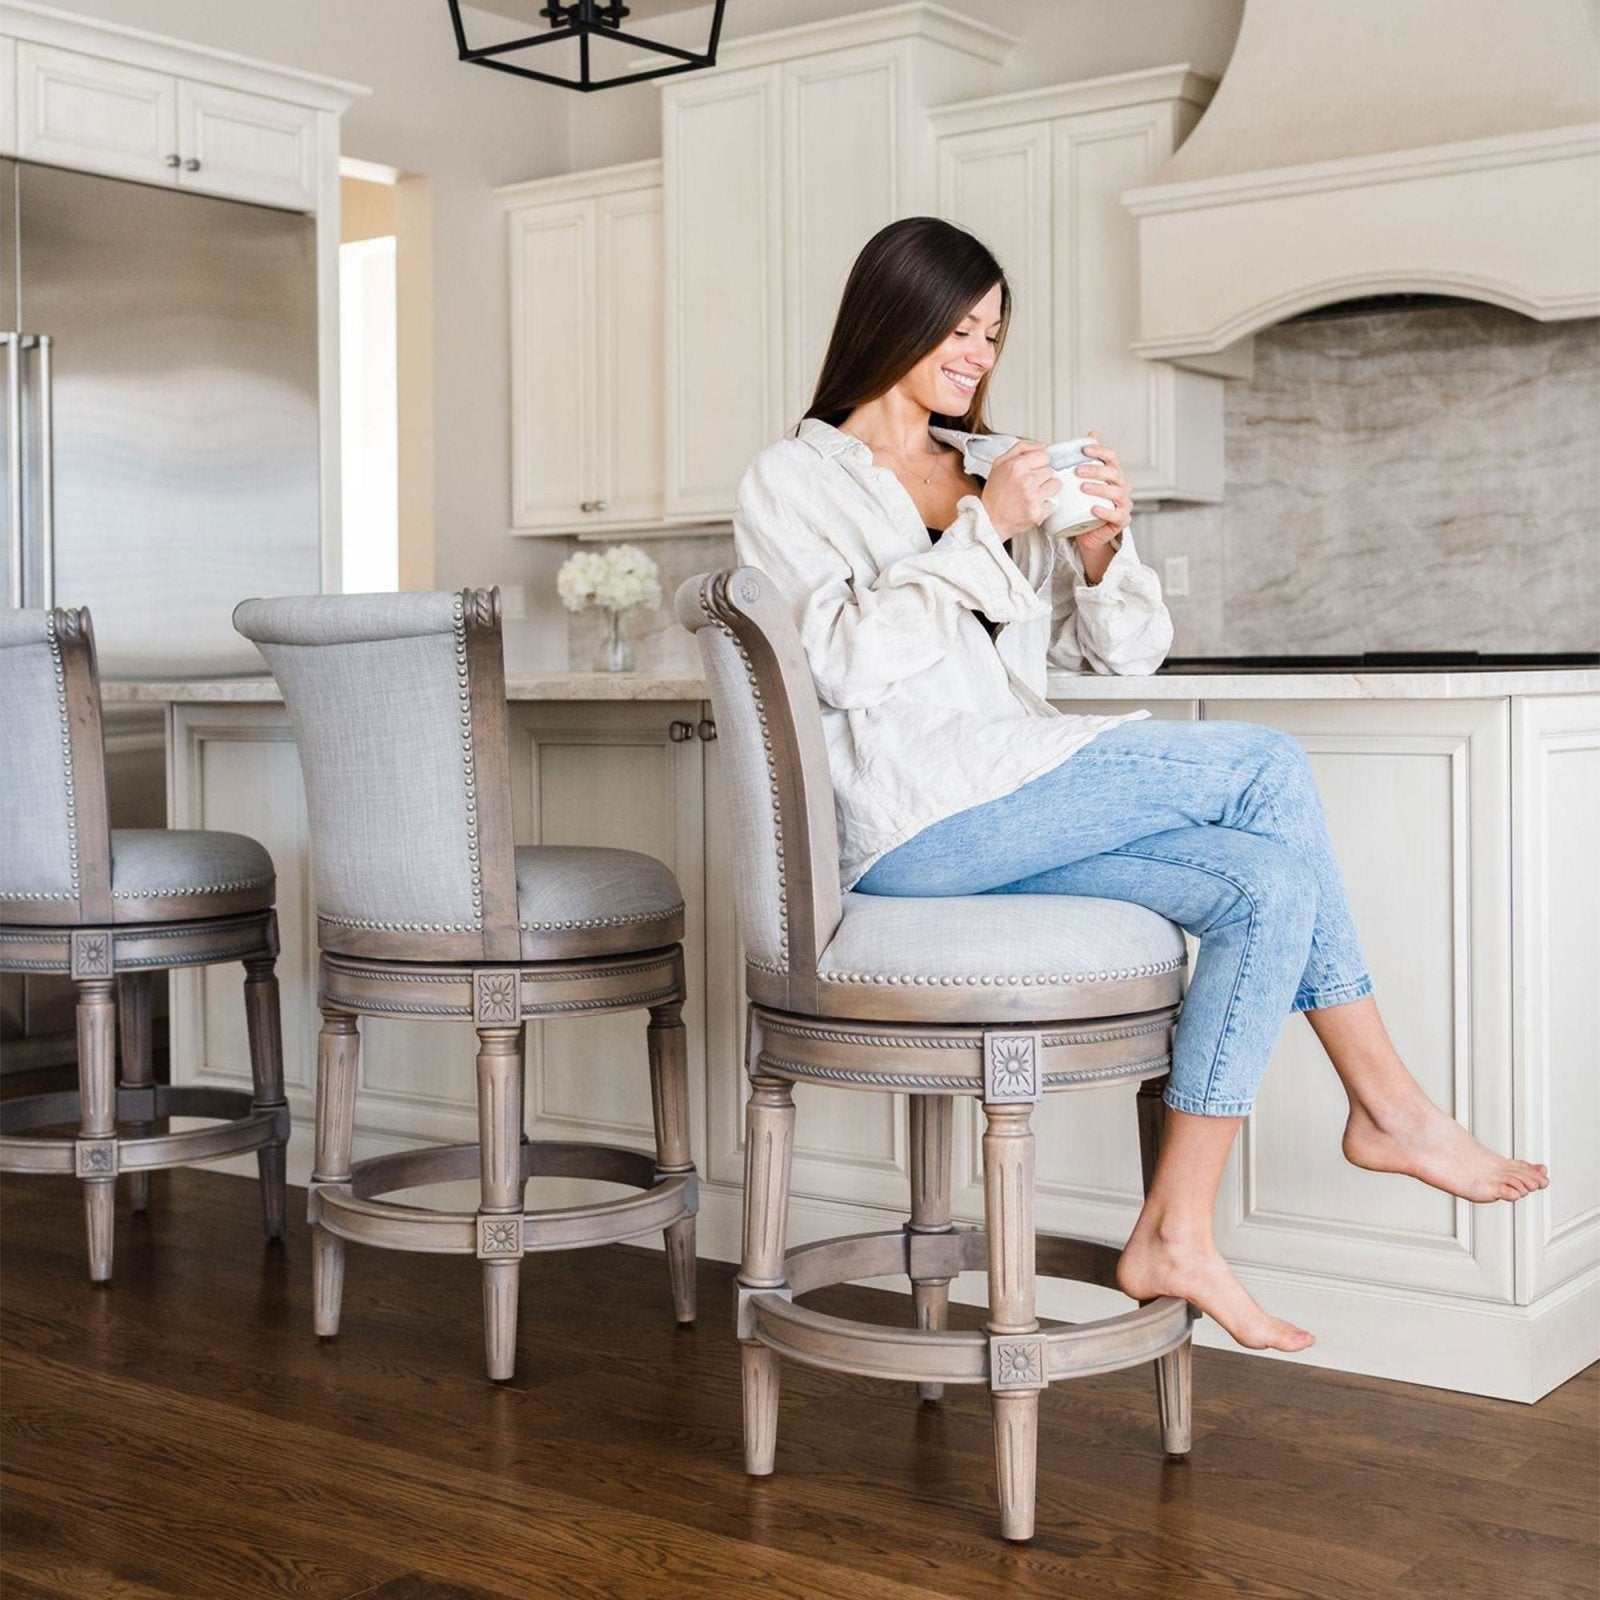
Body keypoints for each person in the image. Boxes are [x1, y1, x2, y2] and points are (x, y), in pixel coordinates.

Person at [731, 216, 1548, 1354]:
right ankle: (1393, 1108)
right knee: (1264, 763)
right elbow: (836, 660)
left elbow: (1120, 658)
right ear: (893, 319)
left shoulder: (984, 461)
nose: (975, 353)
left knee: (1264, 883)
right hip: (911, 820)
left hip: (1012, 794)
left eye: (991, 333)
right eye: (957, 328)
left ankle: (1175, 1230)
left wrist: (1103, 548)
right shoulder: (792, 480)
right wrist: (987, 529)